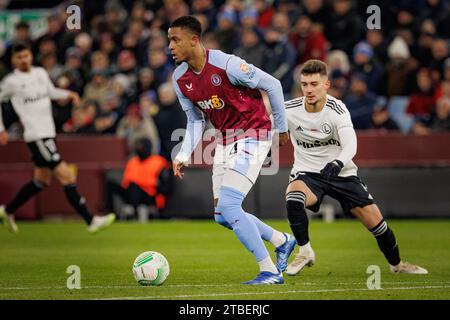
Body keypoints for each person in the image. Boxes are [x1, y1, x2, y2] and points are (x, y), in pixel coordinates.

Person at [168, 16, 296, 285]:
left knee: (229, 204)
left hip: (254, 133)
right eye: (169, 40)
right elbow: (195, 121)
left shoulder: (228, 65)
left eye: (175, 40)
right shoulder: (180, 78)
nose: (170, 46)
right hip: (225, 142)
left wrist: (282, 129)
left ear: (194, 40)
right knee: (222, 216)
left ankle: (270, 271)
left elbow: (272, 84)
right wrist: (182, 154)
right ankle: (281, 240)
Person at [284, 59, 428, 275]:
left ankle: (397, 265)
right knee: (293, 195)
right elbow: (264, 126)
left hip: (341, 172)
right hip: (308, 174)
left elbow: (351, 143)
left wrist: (338, 162)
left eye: (314, 84)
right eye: (304, 84)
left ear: (326, 85)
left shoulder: (337, 109)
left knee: (378, 226)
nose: (309, 89)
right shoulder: (289, 109)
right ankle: (305, 251)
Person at [0, 43, 115, 233]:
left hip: (47, 133)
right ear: (13, 60)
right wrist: (1, 129)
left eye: (26, 56)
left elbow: (51, 92)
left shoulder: (39, 73)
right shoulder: (11, 82)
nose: (23, 60)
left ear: (31, 56)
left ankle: (8, 210)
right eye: (19, 57)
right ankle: (90, 220)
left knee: (41, 181)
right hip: (36, 136)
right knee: (67, 176)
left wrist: (68, 94)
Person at [105, 138, 172, 220]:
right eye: (137, 147)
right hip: (131, 192)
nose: (139, 149)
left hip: (149, 195)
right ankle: (110, 213)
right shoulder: (133, 161)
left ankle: (134, 212)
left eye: (141, 147)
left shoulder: (158, 162)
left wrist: (156, 190)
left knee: (135, 187)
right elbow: (126, 182)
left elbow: (166, 186)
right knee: (111, 184)